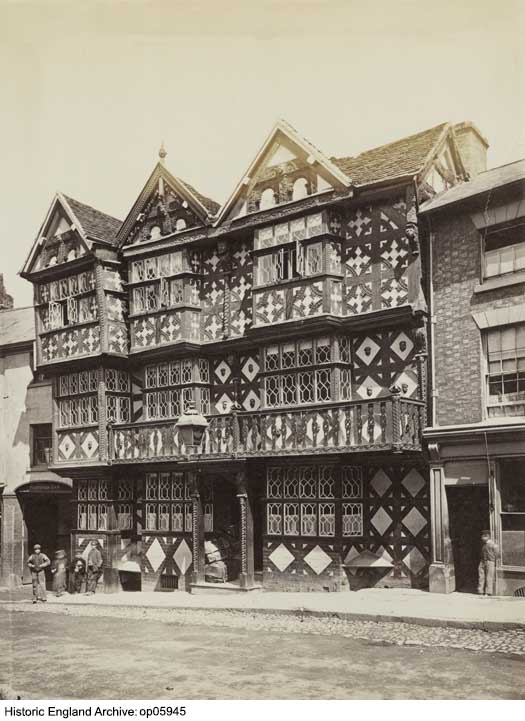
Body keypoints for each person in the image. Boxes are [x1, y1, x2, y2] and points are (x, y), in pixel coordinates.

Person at [478, 530, 499, 596]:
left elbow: (497, 554)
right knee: (481, 576)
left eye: (483, 536)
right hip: (482, 561)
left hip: (490, 562)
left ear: (487, 536)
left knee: (489, 577)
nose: (482, 538)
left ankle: (488, 592)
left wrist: (492, 560)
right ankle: (480, 591)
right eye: (482, 536)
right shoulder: (483, 545)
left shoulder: (493, 545)